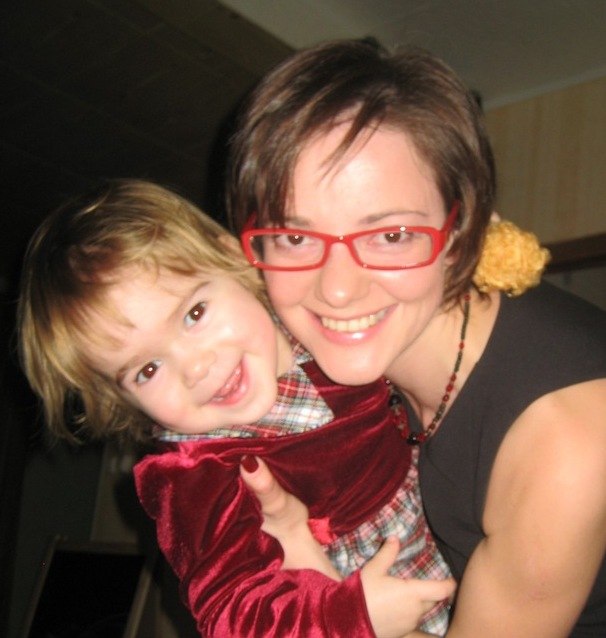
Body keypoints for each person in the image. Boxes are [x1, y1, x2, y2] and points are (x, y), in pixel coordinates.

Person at [225, 38, 606, 637]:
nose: (338, 291)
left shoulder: (566, 441)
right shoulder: (367, 346)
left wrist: (330, 605)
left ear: (460, 229)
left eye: (391, 236)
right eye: (295, 239)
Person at [17, 178, 454, 638]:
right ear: (120, 400)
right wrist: (350, 616)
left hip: (453, 504)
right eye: (147, 370)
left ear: (231, 257)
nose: (196, 367)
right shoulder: (195, 473)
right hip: (376, 599)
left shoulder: (320, 318)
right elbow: (232, 613)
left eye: (194, 314)